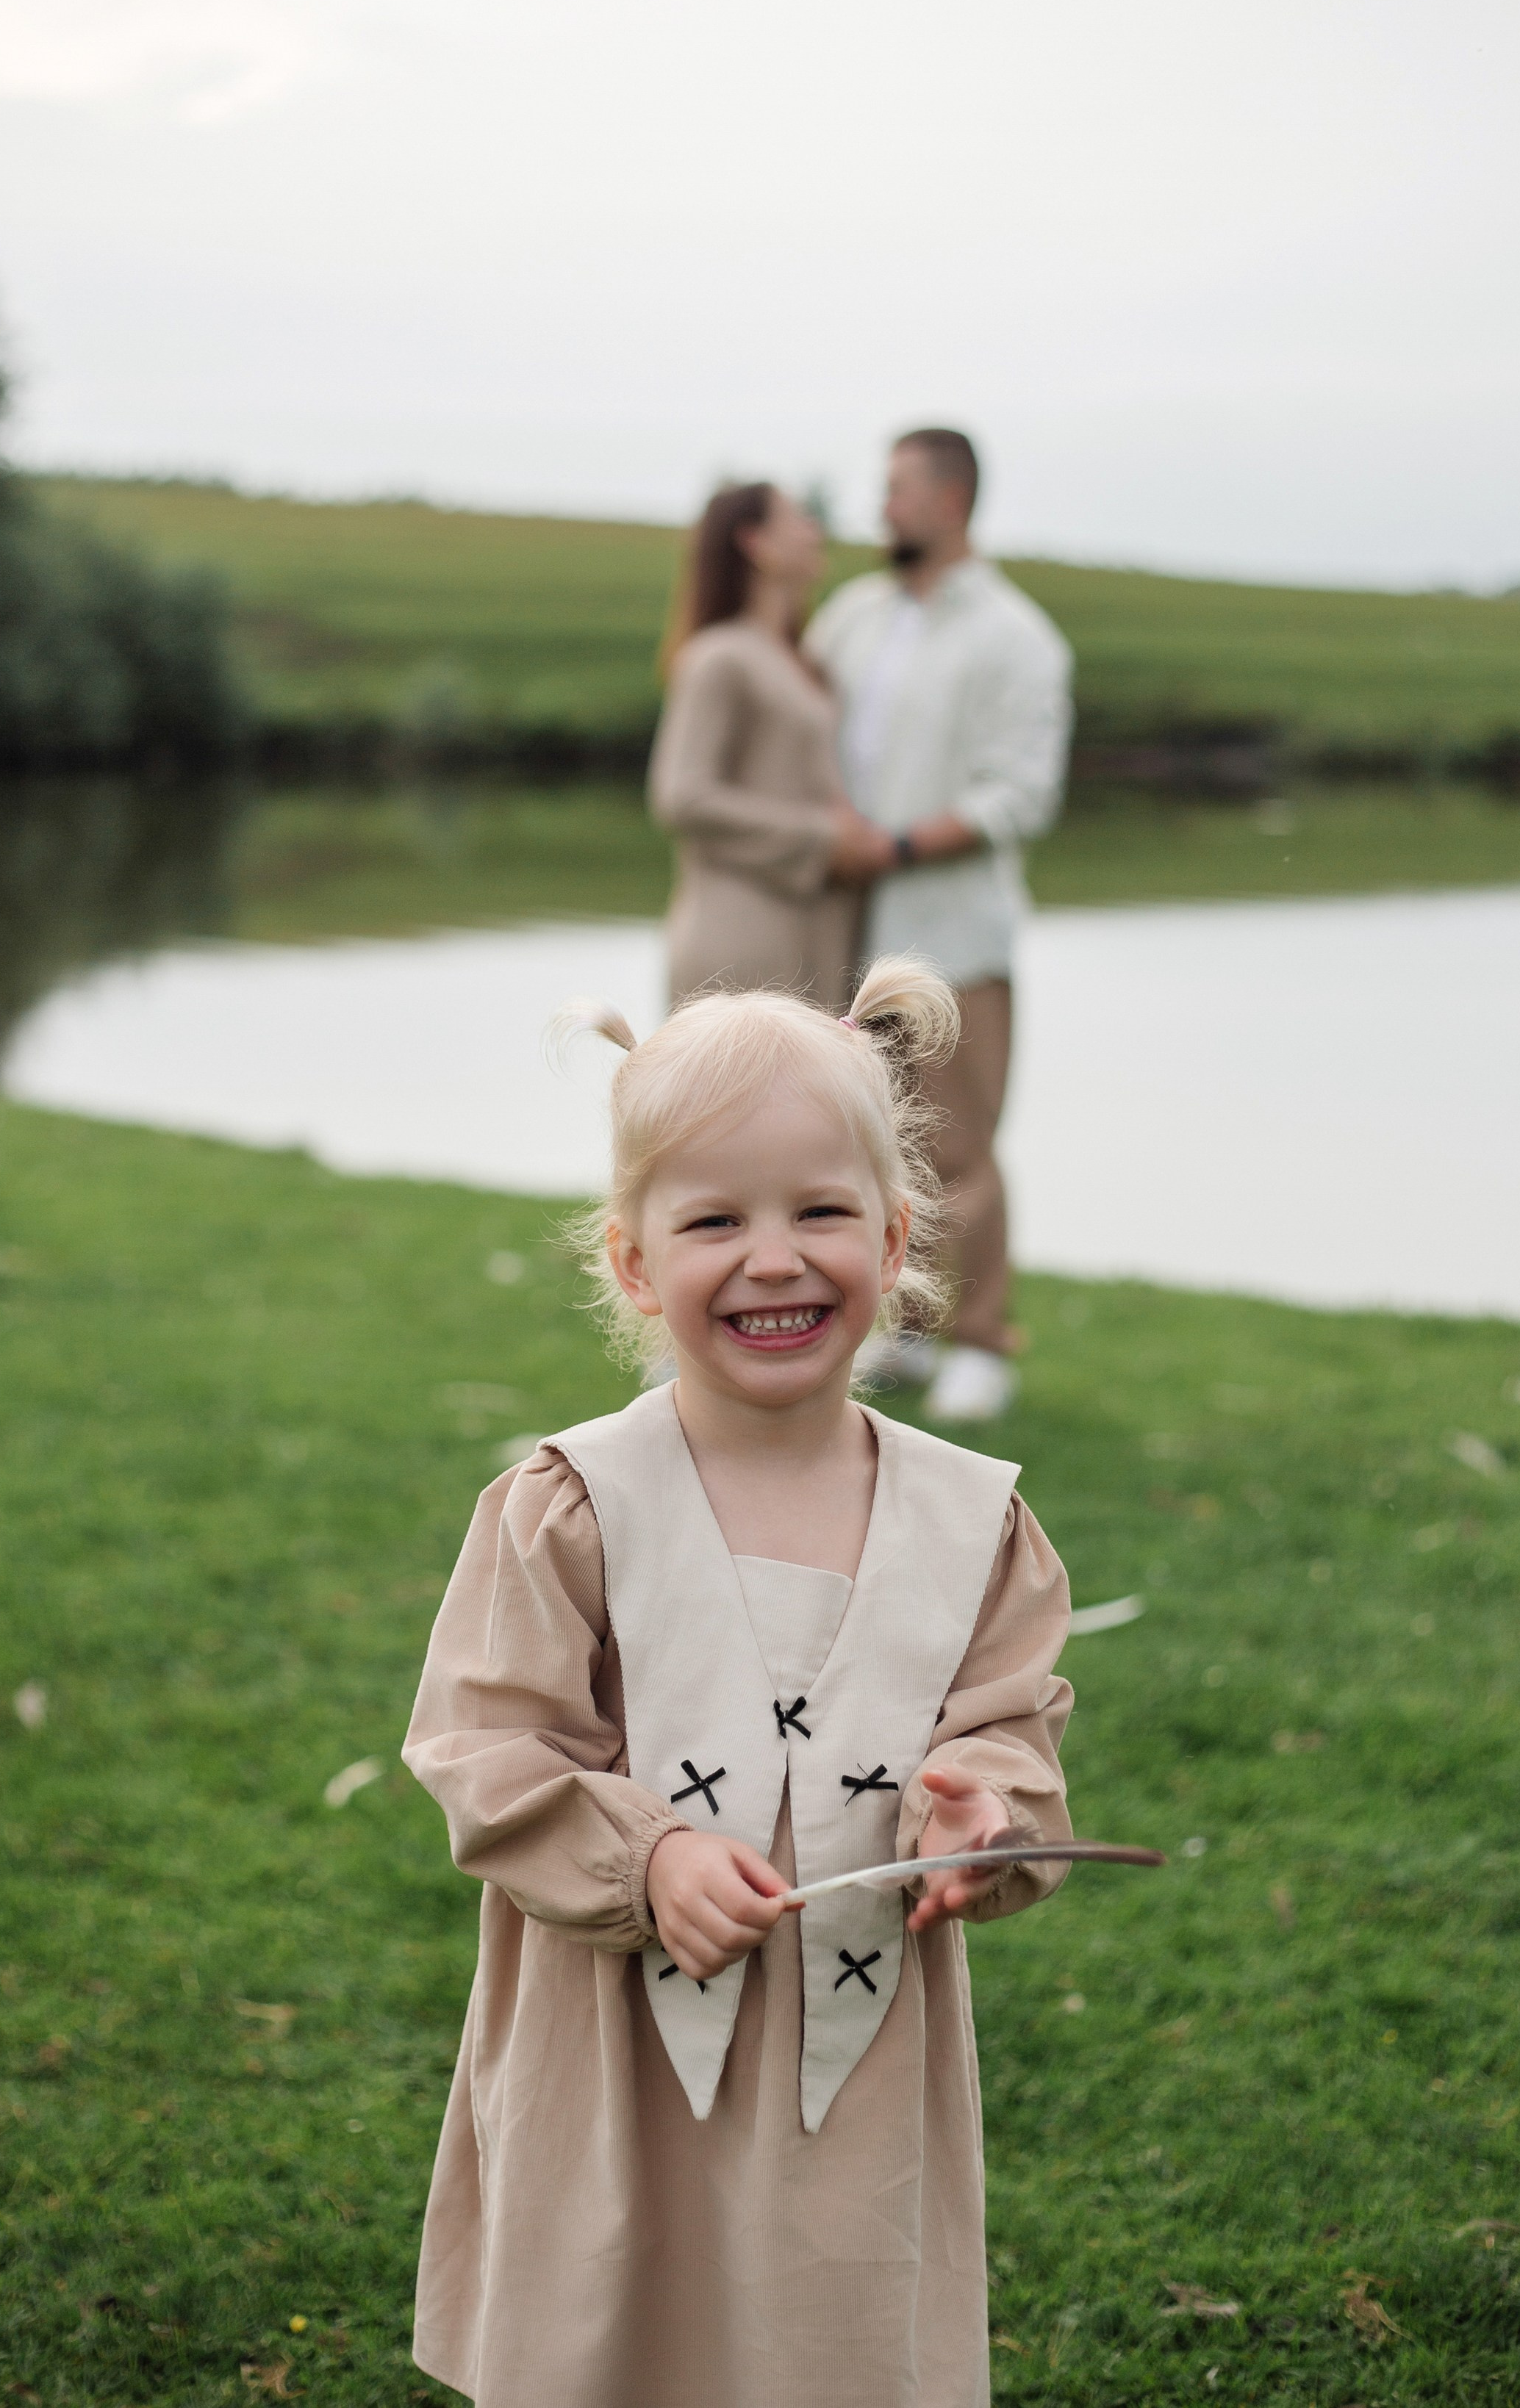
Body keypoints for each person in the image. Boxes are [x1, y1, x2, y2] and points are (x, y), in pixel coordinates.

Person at [403, 960, 1075, 2408]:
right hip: (617, 2058)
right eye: (716, 1219)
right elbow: (485, 1748)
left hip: (855, 2075)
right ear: (636, 1261)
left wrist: (982, 1822)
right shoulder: (569, 1505)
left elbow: (1007, 1737)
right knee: (624, 2341)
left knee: (826, 2338)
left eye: (822, 1212)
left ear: (895, 1241)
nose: (776, 1258)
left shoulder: (977, 1527)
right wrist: (645, 1854)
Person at [805, 429, 1074, 1425]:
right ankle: (905, 1335)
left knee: (961, 1147)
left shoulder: (1015, 637)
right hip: (844, 933)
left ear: (952, 499)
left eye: (899, 491)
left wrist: (898, 847)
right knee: (873, 1148)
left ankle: (983, 1343)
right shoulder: (852, 617)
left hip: (951, 934)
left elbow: (1018, 797)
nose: (883, 509)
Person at [648, 481, 890, 1010]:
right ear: (755, 543)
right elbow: (682, 797)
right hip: (742, 944)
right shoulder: (719, 658)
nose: (814, 532)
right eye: (798, 520)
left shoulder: (806, 662)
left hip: (814, 942)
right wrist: (824, 840)